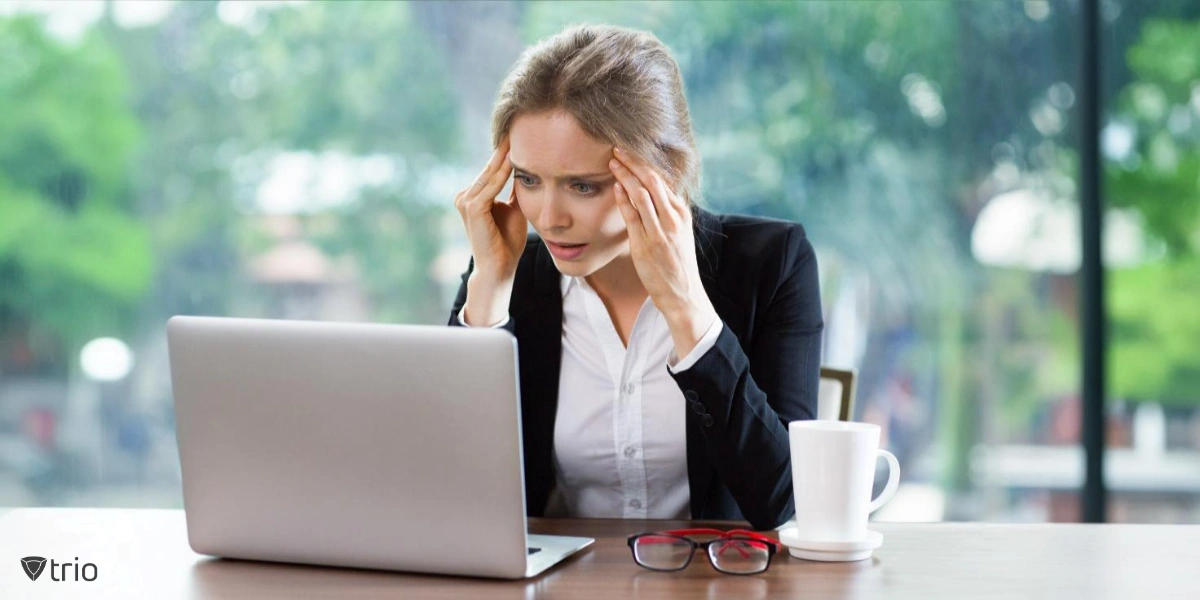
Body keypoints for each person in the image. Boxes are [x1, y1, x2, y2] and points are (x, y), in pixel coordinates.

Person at [448, 24, 822, 530]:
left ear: (662, 172)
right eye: (528, 179)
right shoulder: (508, 274)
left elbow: (782, 501)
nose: (550, 216)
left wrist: (685, 307)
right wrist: (490, 288)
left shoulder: (772, 264)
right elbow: (454, 491)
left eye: (583, 185)